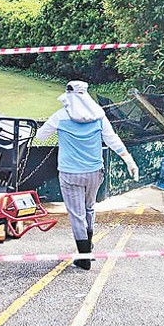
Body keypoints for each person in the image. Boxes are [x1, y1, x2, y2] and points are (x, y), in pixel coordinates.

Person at [36, 81, 139, 270]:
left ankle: (84, 258)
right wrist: (129, 161)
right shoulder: (99, 116)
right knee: (89, 208)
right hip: (95, 173)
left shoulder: (60, 116)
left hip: (70, 174)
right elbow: (112, 139)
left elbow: (41, 136)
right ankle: (88, 247)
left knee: (77, 215)